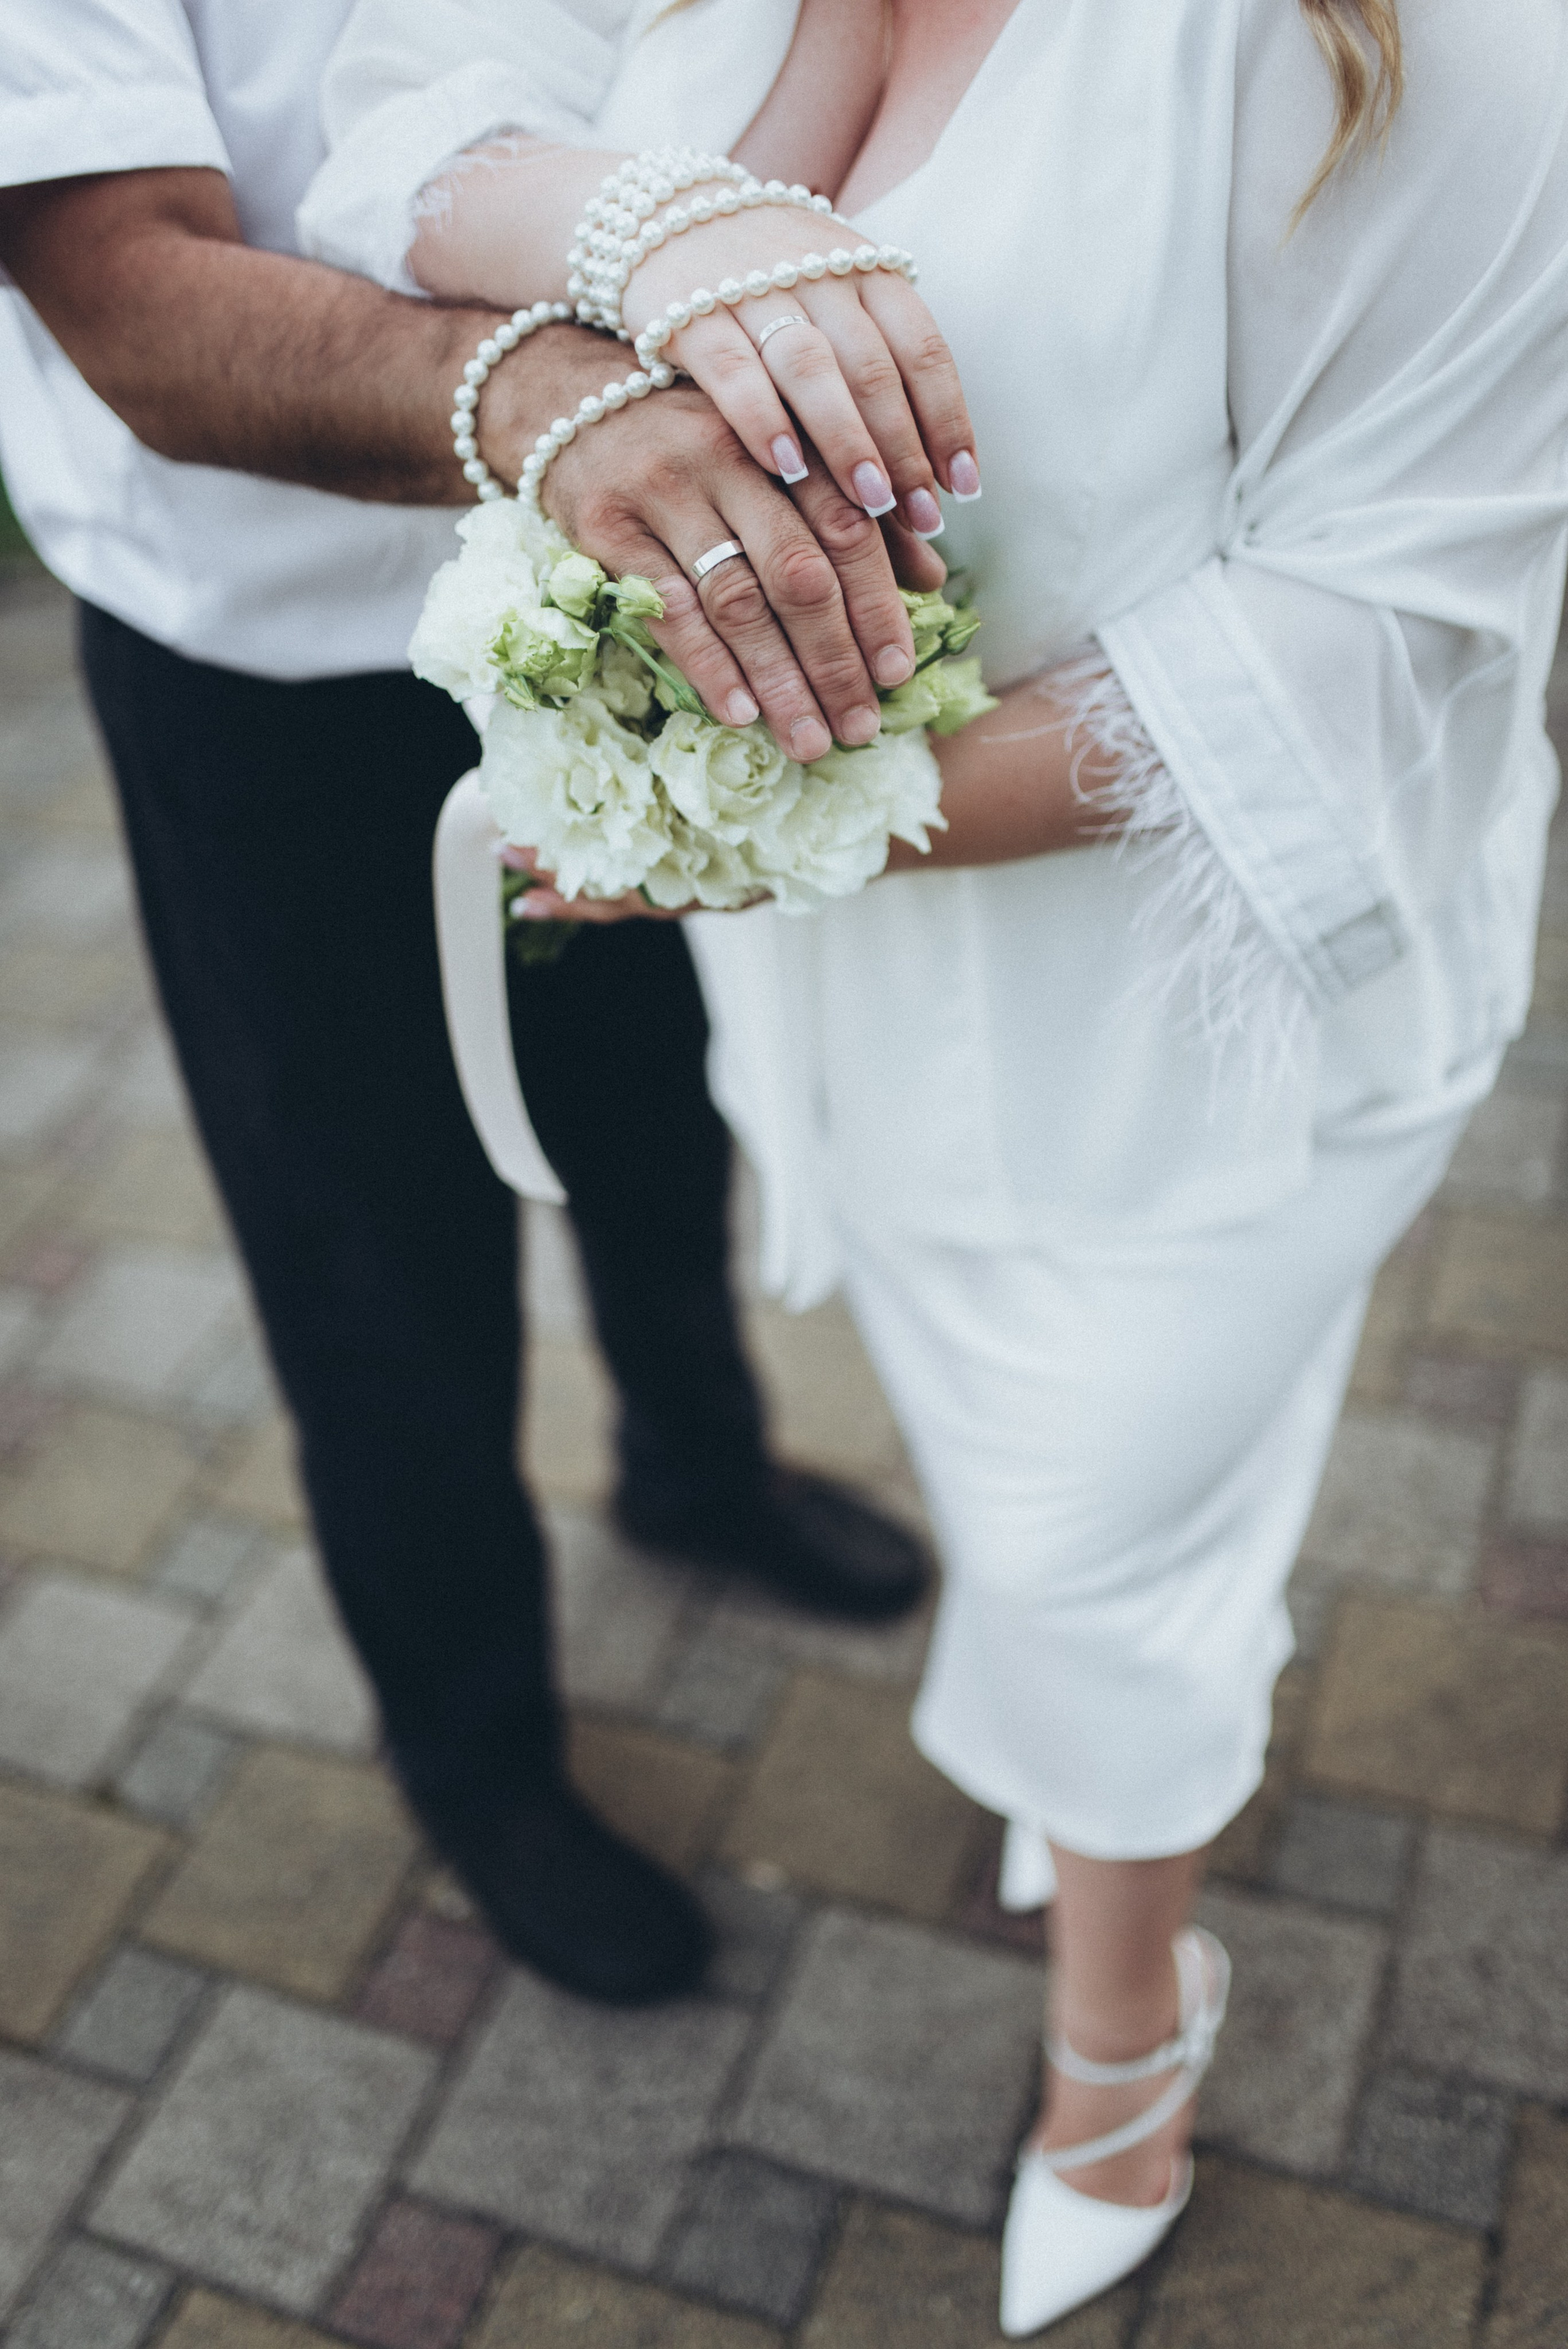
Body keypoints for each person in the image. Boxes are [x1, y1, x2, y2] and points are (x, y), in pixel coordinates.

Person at [298, 0, 1568, 2330]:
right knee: (1000, 1435)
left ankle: (1122, 2024)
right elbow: (394, 113)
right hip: (868, 991)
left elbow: (1358, 645)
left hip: (1206, 1022)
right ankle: (1130, 1681)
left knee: (1092, 1537)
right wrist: (657, 228)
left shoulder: (1443, 52)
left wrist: (731, 813)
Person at [0, 0, 935, 2015]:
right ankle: (478, 1747)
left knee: (658, 1102)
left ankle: (698, 1462)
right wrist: (544, 395)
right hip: (262, 666)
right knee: (374, 1242)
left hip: (603, 578)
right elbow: (132, 300)